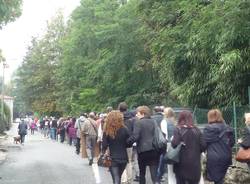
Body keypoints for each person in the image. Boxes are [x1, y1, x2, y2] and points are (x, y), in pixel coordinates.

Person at [127, 106, 160, 184]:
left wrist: (127, 142)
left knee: (142, 174)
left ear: (143, 113)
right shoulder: (154, 122)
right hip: (154, 149)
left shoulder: (138, 122)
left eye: (137, 113)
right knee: (154, 174)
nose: (136, 115)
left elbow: (135, 137)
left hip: (142, 151)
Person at [171, 110, 206, 184]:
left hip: (181, 164)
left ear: (180, 118)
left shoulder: (178, 129)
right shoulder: (197, 130)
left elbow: (174, 144)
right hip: (194, 164)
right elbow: (203, 146)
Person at [203, 109, 234, 184]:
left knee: (217, 179)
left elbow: (203, 144)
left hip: (213, 158)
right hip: (226, 157)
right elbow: (232, 143)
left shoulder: (207, 129)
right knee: (224, 179)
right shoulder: (228, 128)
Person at [102, 110, 130, 184]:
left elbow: (104, 145)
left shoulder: (107, 130)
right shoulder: (125, 129)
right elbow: (129, 143)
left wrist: (103, 153)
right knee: (119, 177)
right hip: (124, 158)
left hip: (113, 158)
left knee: (116, 178)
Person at [158, 107, 176, 183]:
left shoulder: (164, 122)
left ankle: (158, 178)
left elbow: (164, 134)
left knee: (162, 161)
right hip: (174, 144)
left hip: (167, 144)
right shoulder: (175, 121)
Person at [118, 102, 135, 184]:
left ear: (119, 109)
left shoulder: (118, 118)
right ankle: (129, 179)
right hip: (129, 143)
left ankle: (123, 180)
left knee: (121, 161)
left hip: (120, 143)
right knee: (129, 161)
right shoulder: (132, 119)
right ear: (127, 108)